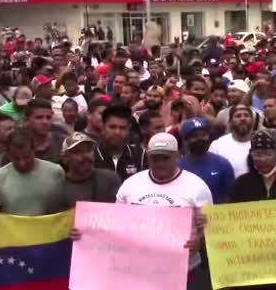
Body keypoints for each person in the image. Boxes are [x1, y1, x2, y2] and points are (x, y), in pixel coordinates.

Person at [114, 132, 213, 290]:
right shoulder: (130, 185)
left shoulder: (197, 186)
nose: (159, 163)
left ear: (177, 156)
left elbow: (211, 228)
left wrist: (200, 242)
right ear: (148, 157)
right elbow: (114, 225)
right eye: (155, 158)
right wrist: (86, 233)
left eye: (165, 158)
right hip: (138, 273)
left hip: (186, 272)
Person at [0, 127, 64, 216]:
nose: (22, 163)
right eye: (16, 158)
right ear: (8, 154)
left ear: (34, 150)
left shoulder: (55, 172)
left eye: (27, 157)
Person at [178, 117, 235, 204]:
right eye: (195, 136)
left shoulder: (222, 164)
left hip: (217, 214)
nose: (200, 139)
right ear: (186, 140)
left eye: (203, 135)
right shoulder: (178, 166)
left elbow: (231, 195)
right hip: (187, 214)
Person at [58, 132, 121, 209]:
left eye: (88, 150)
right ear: (65, 158)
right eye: (78, 152)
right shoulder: (59, 190)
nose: (85, 156)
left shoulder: (110, 179)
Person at [94, 104, 146, 181]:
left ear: (129, 129)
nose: (117, 132)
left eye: (122, 128)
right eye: (112, 127)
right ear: (103, 127)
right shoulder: (92, 156)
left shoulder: (140, 156)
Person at [209, 104, 254, 178]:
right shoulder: (217, 145)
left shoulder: (260, 144)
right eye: (238, 116)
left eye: (246, 115)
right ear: (230, 122)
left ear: (252, 120)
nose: (243, 119)